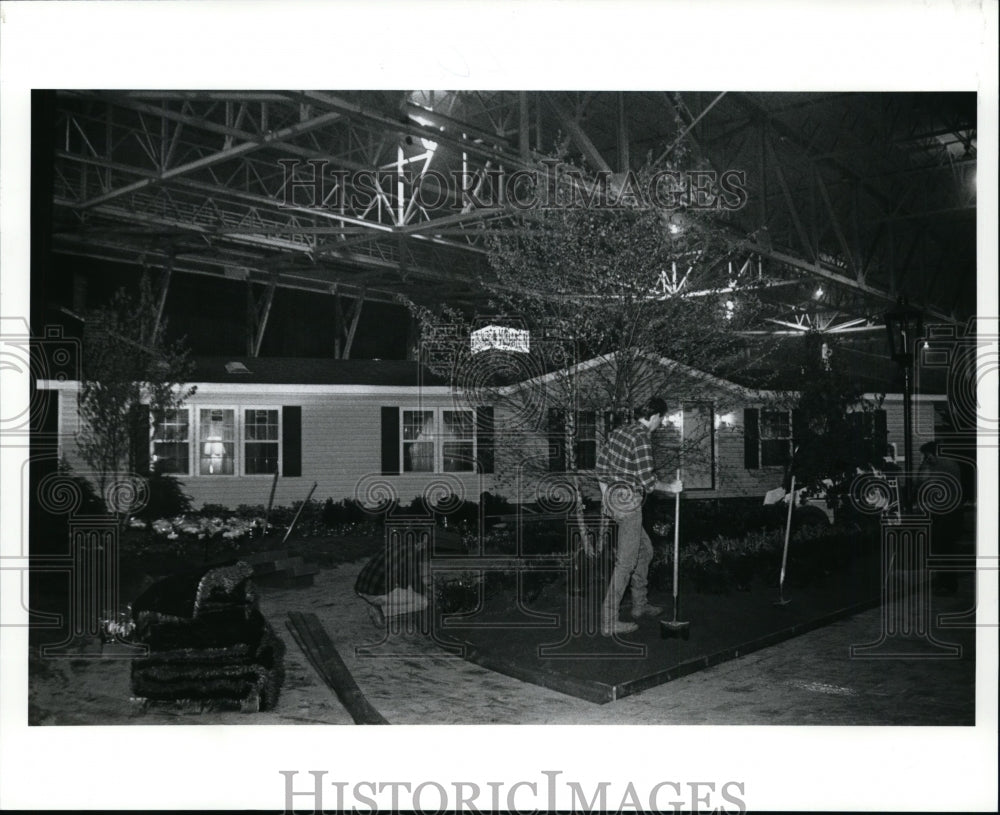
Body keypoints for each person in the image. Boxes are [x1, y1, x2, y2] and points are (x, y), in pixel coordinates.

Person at [596, 396, 682, 635]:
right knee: (626, 562)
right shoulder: (642, 439)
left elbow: (601, 469)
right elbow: (648, 482)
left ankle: (639, 605)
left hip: (612, 498)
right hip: (629, 502)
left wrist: (607, 500)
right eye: (661, 419)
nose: (661, 424)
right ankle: (609, 621)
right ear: (654, 416)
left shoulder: (618, 432)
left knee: (645, 551)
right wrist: (672, 488)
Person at [917, 440, 965, 594]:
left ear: (932, 454)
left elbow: (924, 482)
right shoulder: (952, 464)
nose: (925, 459)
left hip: (944, 514)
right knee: (948, 549)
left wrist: (924, 467)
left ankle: (946, 584)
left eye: (926, 456)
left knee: (942, 549)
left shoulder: (939, 466)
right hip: (954, 512)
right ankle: (948, 582)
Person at [355, 532, 432, 626]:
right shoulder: (411, 552)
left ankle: (378, 603)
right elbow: (415, 583)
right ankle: (382, 610)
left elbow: (402, 580)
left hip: (361, 589)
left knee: (409, 590)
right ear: (419, 543)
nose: (424, 548)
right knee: (423, 602)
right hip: (375, 593)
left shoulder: (390, 547)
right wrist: (429, 593)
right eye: (424, 544)